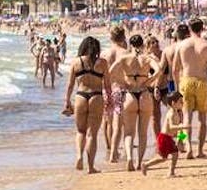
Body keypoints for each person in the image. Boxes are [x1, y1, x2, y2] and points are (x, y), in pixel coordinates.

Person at [172, 18, 207, 159]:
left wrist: (177, 87)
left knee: (186, 118)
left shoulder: (181, 45)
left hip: (186, 81)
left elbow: (175, 69)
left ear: (189, 28)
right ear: (202, 28)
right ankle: (199, 150)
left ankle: (188, 147)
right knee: (202, 119)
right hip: (202, 82)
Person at [62, 36, 111, 174]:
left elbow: (70, 85)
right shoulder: (102, 63)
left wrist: (67, 101)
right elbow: (107, 85)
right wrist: (110, 100)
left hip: (80, 96)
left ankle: (79, 156)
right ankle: (90, 167)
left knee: (80, 131)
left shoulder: (76, 62)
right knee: (92, 134)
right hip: (96, 96)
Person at [109, 34, 154, 171]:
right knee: (143, 133)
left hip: (130, 94)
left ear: (130, 45)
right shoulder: (147, 58)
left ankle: (129, 158)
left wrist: (123, 82)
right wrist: (149, 81)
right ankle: (139, 162)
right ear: (142, 45)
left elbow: (110, 72)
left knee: (129, 132)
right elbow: (158, 69)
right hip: (144, 93)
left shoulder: (124, 58)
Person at [101, 25, 131, 163]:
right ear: (123, 37)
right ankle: (114, 152)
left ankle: (110, 150)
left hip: (106, 89)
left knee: (108, 121)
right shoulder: (125, 53)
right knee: (118, 123)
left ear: (111, 37)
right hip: (120, 89)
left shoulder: (104, 53)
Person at [141, 92, 188, 177]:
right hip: (164, 138)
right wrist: (183, 127)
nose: (183, 103)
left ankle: (171, 172)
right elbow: (172, 127)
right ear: (173, 103)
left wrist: (181, 138)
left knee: (175, 154)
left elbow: (179, 129)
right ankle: (146, 165)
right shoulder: (171, 113)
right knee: (163, 158)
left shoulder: (179, 113)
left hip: (169, 138)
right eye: (180, 102)